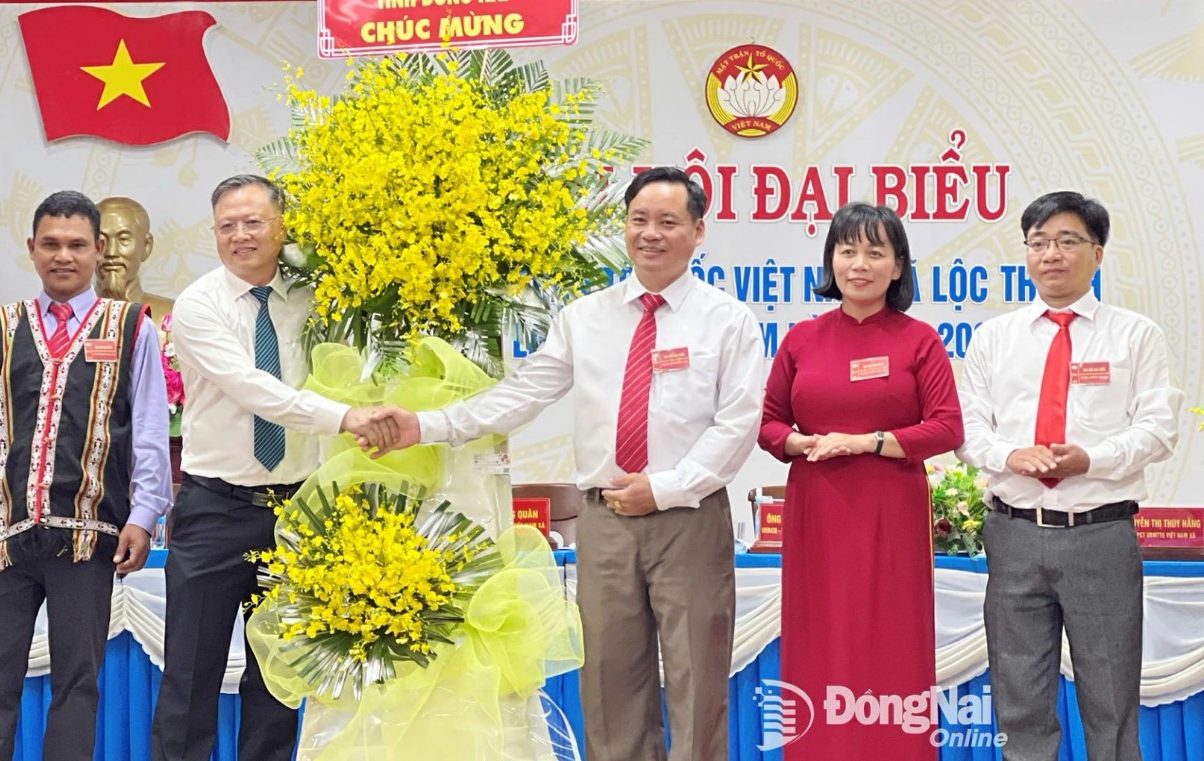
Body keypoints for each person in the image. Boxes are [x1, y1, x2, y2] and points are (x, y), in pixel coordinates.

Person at [364, 166, 764, 761]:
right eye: (639, 220)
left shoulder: (728, 320)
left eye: (668, 222)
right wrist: (426, 425)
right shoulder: (586, 317)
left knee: (697, 679)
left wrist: (665, 487)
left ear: (698, 231)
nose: (650, 234)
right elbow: (521, 395)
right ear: (625, 227)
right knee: (607, 681)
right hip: (604, 521)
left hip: (689, 517)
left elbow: (737, 425)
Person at [151, 174, 395, 761]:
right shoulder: (199, 305)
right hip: (215, 509)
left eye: (253, 222)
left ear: (282, 226)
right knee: (190, 674)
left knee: (280, 679)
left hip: (301, 508)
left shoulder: (320, 299)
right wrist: (345, 417)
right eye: (227, 226)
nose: (240, 236)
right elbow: (254, 388)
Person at [0, 190, 173, 761]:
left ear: (98, 250)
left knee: (78, 685)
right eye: (51, 244)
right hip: (0, 540)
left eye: (76, 244)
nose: (63, 256)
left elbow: (148, 431)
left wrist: (144, 517)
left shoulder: (131, 328)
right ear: (32, 249)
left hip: (88, 540)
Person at [957, 191, 1181, 761]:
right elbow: (966, 429)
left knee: (1110, 697)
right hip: (1014, 534)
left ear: (1098, 254)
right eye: (1037, 243)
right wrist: (1010, 456)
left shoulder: (1136, 336)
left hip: (1100, 534)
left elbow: (1158, 430)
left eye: (1066, 241)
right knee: (1019, 695)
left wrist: (1091, 460)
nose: (1050, 254)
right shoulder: (993, 339)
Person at [756, 202, 963, 759]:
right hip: (817, 509)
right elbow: (769, 422)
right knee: (821, 637)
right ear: (831, 261)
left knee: (891, 636)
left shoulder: (920, 340)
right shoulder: (801, 339)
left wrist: (868, 441)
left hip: (889, 509)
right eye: (847, 251)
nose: (860, 264)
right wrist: (798, 443)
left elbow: (946, 427)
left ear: (898, 266)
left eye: (876, 252)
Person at [96, 196, 176, 320]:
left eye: (123, 240)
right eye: (101, 240)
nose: (111, 252)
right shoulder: (66, 318)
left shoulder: (172, 318)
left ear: (146, 246)